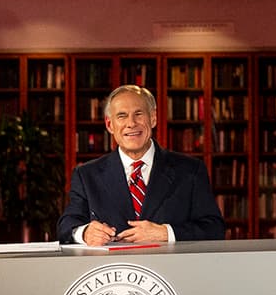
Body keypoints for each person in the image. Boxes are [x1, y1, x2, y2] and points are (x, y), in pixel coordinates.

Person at [57, 84, 224, 245]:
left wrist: (166, 233)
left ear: (153, 118)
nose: (131, 123)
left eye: (138, 114)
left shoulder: (190, 170)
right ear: (109, 124)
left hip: (172, 270)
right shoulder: (87, 175)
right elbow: (66, 225)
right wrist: (85, 233)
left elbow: (214, 228)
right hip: (112, 271)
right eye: (122, 116)